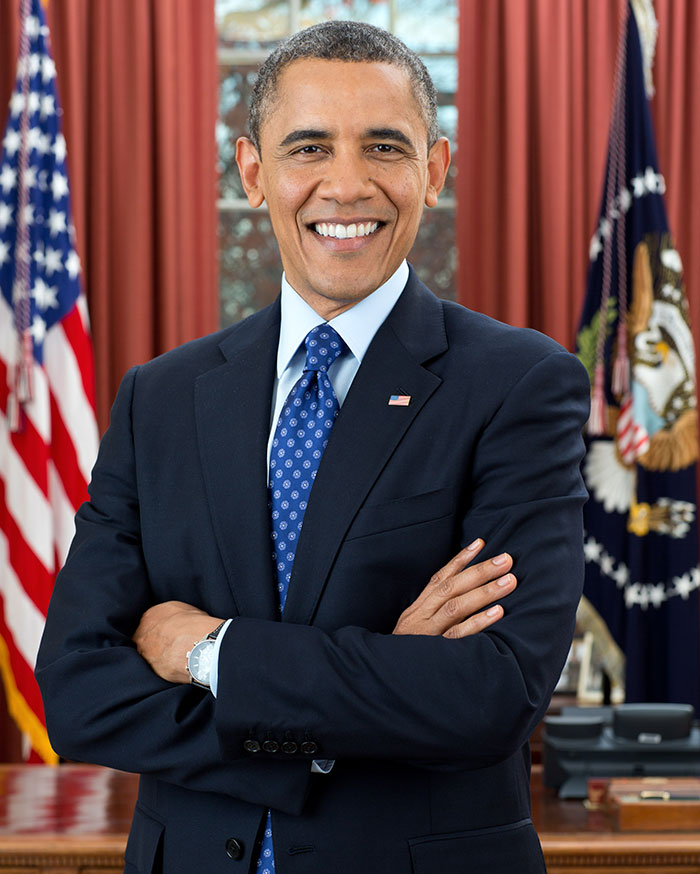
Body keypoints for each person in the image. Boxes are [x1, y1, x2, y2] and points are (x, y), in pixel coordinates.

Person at [36, 20, 589, 874]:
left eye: (384, 147)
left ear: (434, 171)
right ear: (254, 173)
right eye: (308, 147)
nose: (346, 183)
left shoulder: (521, 385)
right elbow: (77, 694)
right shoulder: (162, 398)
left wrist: (208, 653)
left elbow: (491, 695)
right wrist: (371, 691)